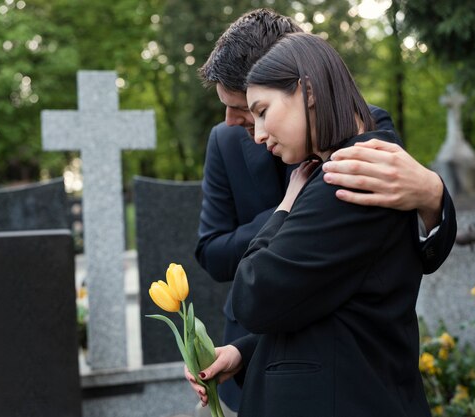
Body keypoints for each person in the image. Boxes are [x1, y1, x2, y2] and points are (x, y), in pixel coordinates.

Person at [192, 8, 456, 415]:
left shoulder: (360, 157)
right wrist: (289, 210)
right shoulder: (229, 143)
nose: (236, 122)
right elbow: (215, 251)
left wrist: (434, 194)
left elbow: (261, 289)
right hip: (271, 352)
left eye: (254, 107)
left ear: (302, 83)